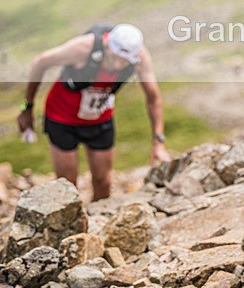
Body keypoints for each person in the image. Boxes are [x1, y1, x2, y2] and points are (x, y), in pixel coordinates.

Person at [16, 23, 171, 200]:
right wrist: (27, 107)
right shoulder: (83, 48)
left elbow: (154, 98)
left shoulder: (139, 56)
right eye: (117, 58)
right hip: (61, 117)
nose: (120, 65)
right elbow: (40, 62)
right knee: (67, 183)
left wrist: (159, 141)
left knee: (103, 181)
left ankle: (98, 219)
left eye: (126, 61)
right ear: (107, 46)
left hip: (99, 119)